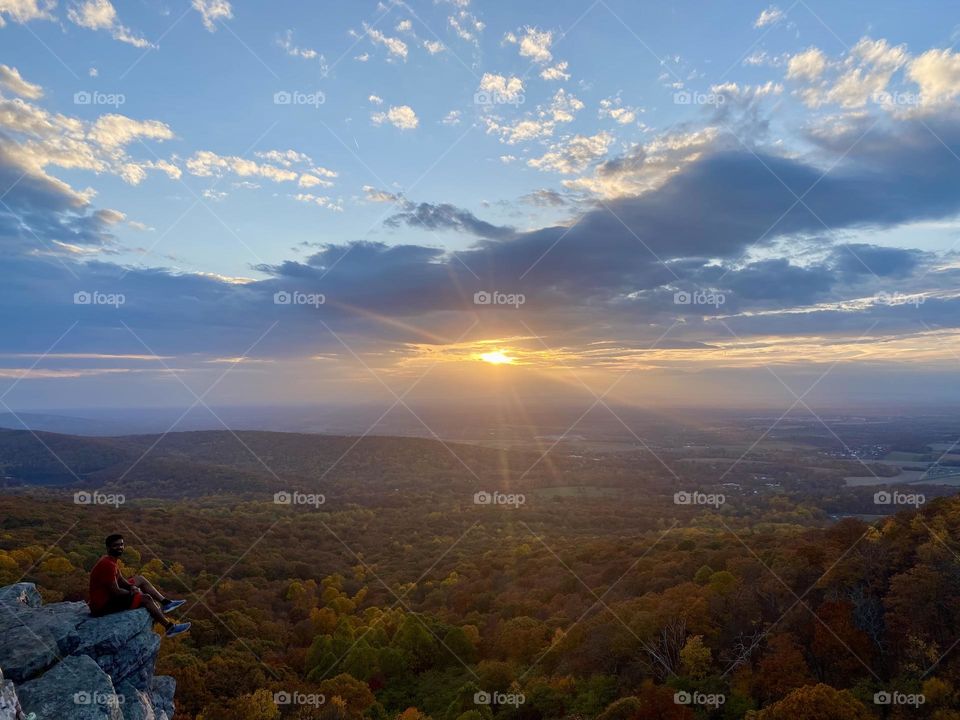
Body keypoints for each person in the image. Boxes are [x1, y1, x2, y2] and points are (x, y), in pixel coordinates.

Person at [88, 533, 190, 637]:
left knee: (140, 579)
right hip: (102, 605)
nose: (120, 547)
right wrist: (132, 593)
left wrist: (131, 586)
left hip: (108, 595)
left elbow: (120, 579)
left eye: (121, 544)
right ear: (108, 547)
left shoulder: (110, 560)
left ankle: (165, 602)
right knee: (146, 599)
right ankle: (169, 628)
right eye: (115, 545)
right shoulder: (107, 565)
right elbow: (116, 592)